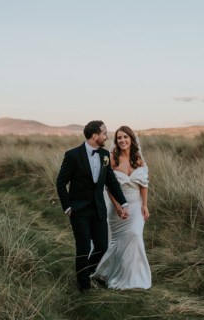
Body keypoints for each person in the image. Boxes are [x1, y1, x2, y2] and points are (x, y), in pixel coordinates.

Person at [56, 120, 130, 292]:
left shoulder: (105, 155)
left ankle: (86, 271)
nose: (107, 136)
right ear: (95, 136)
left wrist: (123, 202)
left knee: (102, 246)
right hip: (79, 210)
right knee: (82, 248)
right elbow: (61, 183)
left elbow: (111, 182)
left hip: (98, 209)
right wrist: (67, 207)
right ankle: (83, 287)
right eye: (104, 133)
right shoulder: (73, 155)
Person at [92, 125, 151, 290]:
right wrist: (117, 206)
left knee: (135, 235)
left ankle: (135, 277)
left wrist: (145, 205)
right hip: (117, 207)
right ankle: (113, 273)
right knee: (118, 242)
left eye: (125, 137)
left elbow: (144, 185)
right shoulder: (112, 159)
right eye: (119, 138)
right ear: (116, 141)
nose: (122, 140)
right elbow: (107, 186)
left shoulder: (138, 159)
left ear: (131, 139)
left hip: (137, 206)